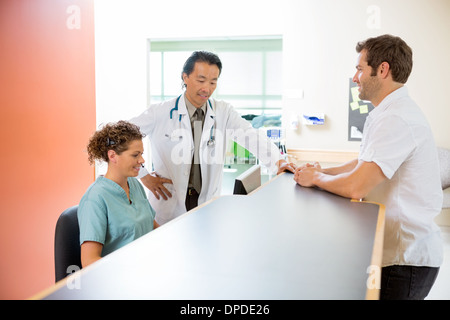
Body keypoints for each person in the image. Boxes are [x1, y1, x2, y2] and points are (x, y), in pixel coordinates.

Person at [293, 34, 443, 300]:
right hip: (397, 253)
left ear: (382, 69)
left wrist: (315, 178)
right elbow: (363, 163)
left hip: (405, 259)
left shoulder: (397, 117)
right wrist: (321, 172)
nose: (355, 78)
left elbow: (356, 185)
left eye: (360, 69)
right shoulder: (389, 112)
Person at [130, 51, 295, 225]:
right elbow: (120, 137)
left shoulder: (223, 111)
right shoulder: (160, 112)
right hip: (169, 207)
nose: (206, 88)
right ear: (185, 77)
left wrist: (278, 162)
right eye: (201, 81)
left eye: (213, 82)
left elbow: (251, 136)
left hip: (207, 206)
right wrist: (143, 175)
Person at [78, 120, 158, 267]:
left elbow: (151, 226)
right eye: (135, 155)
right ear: (112, 156)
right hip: (119, 280)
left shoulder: (134, 184)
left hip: (147, 269)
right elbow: (89, 262)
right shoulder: (95, 199)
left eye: (141, 154)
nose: (142, 160)